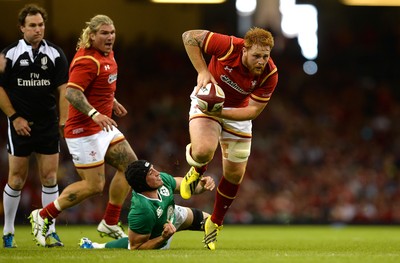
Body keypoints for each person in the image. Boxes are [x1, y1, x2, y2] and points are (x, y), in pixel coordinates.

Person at [28, 14, 138, 247]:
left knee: (131, 167)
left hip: (103, 126)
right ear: (92, 35)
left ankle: (109, 221)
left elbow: (98, 84)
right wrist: (95, 113)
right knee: (94, 185)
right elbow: (72, 92)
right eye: (104, 33)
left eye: (112, 32)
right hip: (83, 130)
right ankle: (43, 215)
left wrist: (111, 100)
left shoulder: (108, 54)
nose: (110, 37)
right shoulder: (87, 60)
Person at [180, 27, 278, 250]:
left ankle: (214, 222)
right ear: (245, 50)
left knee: (235, 175)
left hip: (236, 113)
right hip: (207, 99)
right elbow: (188, 37)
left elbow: (252, 112)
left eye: (266, 56)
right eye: (257, 56)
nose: (262, 61)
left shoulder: (270, 74)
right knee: (204, 151)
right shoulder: (228, 46)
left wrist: (219, 112)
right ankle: (197, 170)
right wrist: (203, 71)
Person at [0, 4, 69, 248]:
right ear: (22, 28)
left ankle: (49, 231)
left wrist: (63, 119)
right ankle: (8, 231)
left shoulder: (56, 54)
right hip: (19, 123)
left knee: (50, 177)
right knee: (17, 179)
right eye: (32, 25)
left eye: (41, 25)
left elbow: (63, 89)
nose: (38, 29)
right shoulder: (8, 55)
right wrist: (14, 117)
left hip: (47, 123)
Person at [79, 160, 215, 250]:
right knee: (131, 243)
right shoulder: (142, 210)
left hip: (172, 214)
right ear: (142, 183)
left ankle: (96, 246)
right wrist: (163, 237)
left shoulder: (162, 180)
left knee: (212, 222)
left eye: (153, 169)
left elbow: (185, 186)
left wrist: (201, 185)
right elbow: (136, 247)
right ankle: (96, 246)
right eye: (151, 172)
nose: (157, 173)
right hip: (159, 233)